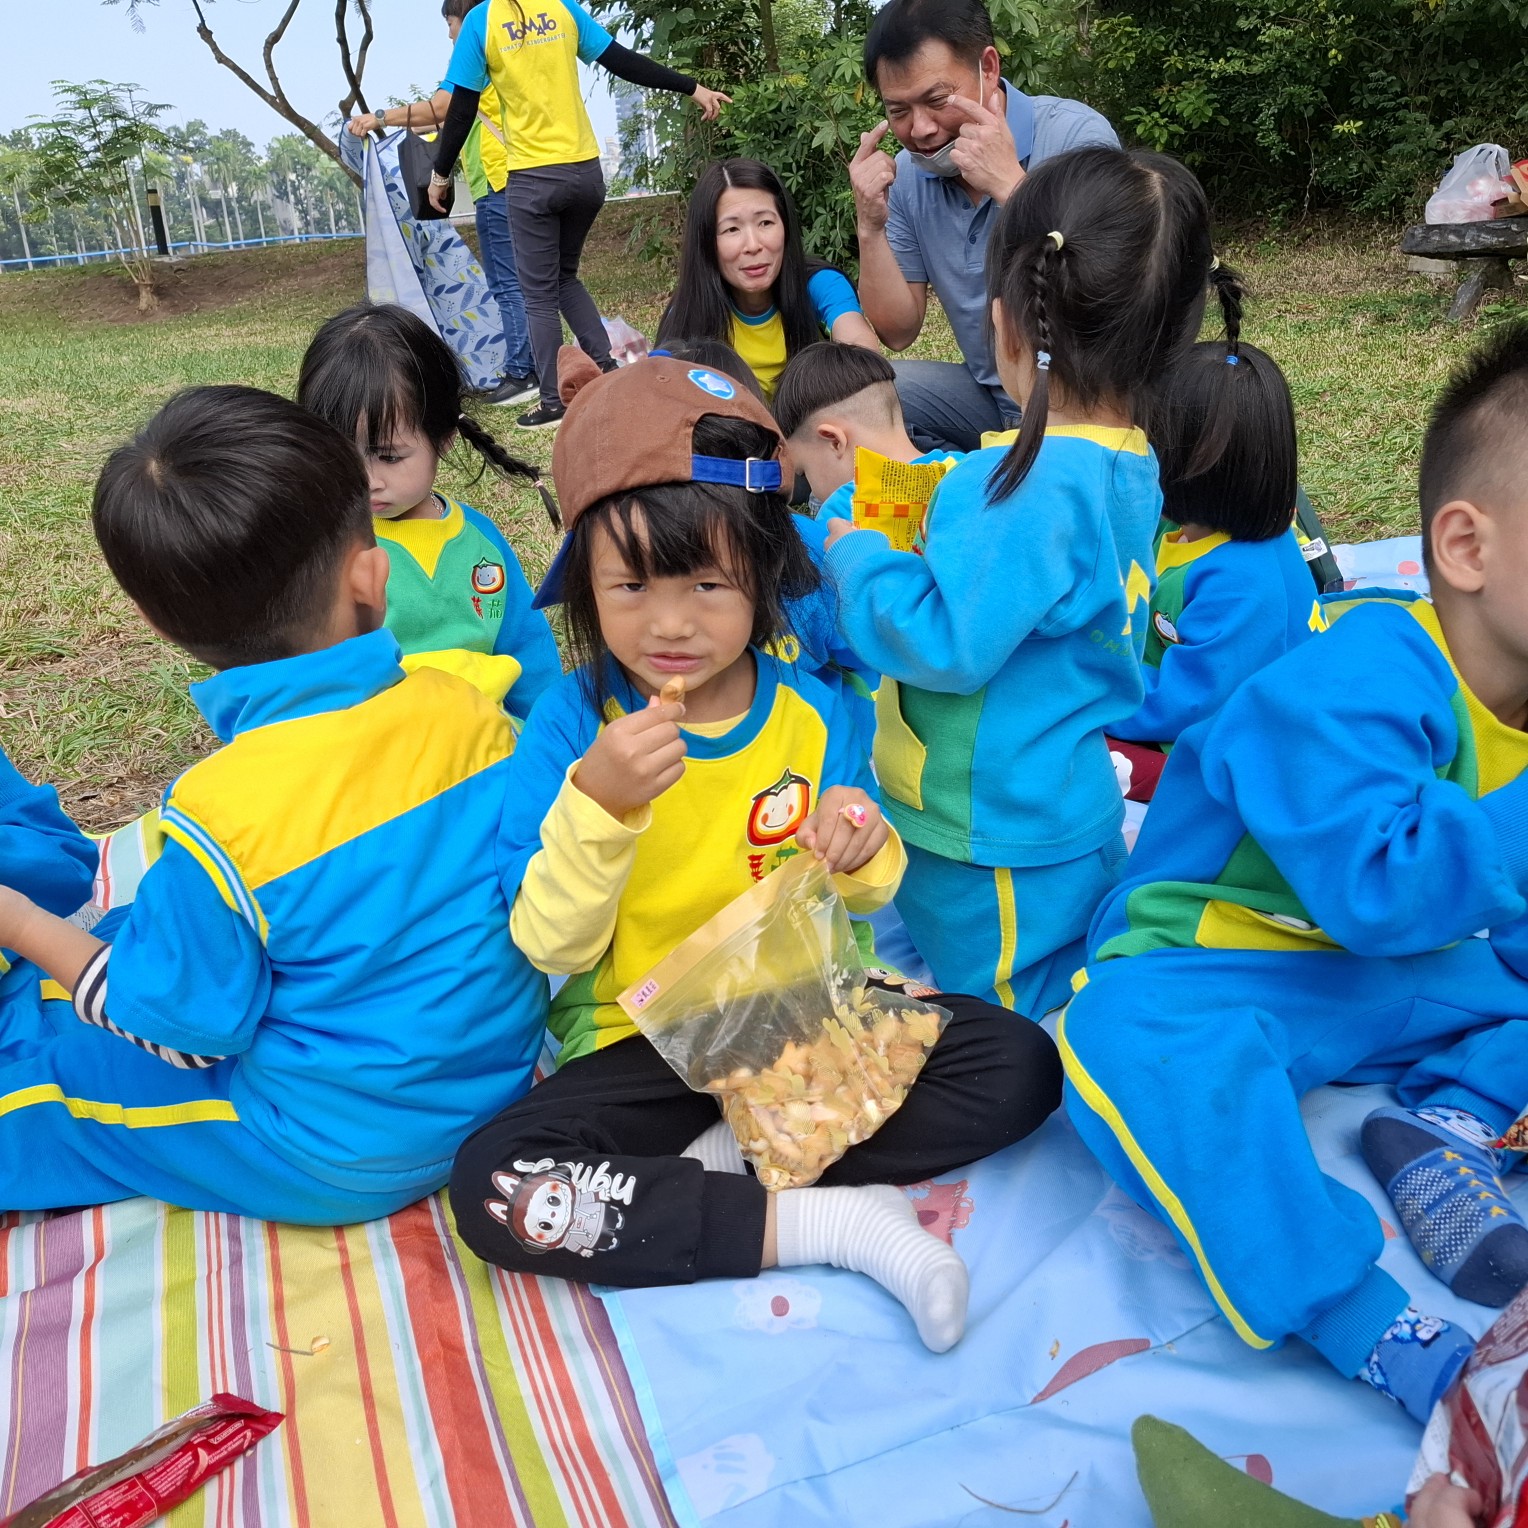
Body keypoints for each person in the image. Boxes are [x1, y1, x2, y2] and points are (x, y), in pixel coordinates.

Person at [448, 351, 1062, 1352]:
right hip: (639, 1041)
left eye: (707, 582)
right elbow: (552, 946)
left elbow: (861, 897)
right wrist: (599, 807)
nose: (672, 623)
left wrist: (860, 849)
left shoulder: (814, 716)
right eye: (630, 584)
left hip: (795, 1026)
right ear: (585, 584)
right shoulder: (570, 727)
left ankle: (727, 1156)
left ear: (765, 572)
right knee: (498, 1186)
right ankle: (824, 1218)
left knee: (1021, 1065)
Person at [1057, 322, 1528, 1429]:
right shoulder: (1360, 671)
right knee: (1131, 1050)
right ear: (1465, 547)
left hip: (1388, 976)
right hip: (1212, 962)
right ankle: (1366, 1320)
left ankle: (1453, 1129)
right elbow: (1380, 889)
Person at [0, 386, 548, 1222]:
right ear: (373, 576)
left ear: (153, 620)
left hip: (332, 1146)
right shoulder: (475, 716)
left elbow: (183, 1041)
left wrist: (23, 925)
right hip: (496, 1079)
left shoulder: (219, 817)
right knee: (136, 935)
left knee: (50, 1099)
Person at [821, 145, 1212, 1019]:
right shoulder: (1127, 458)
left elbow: (946, 644)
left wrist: (859, 557)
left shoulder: (1018, 484)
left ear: (1006, 321)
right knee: (1076, 952)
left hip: (988, 828)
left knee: (1013, 1017)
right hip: (1059, 797)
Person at [429, 0, 732, 430]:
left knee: (538, 295)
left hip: (533, 179)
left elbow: (461, 109)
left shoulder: (481, 21)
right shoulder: (562, 8)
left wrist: (440, 174)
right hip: (586, 174)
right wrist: (691, 87)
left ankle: (554, 401)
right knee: (563, 278)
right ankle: (607, 370)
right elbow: (622, 61)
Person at [849, 0, 1118, 453]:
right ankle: (982, 466)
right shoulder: (908, 177)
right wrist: (870, 228)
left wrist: (1011, 186)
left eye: (937, 100)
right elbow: (897, 331)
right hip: (994, 399)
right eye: (898, 111)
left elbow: (1110, 294)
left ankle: (997, 467)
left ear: (988, 68)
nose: (921, 129)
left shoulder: (1076, 139)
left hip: (1092, 401)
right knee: (862, 400)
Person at [297, 302, 561, 721]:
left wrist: (547, 730)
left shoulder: (480, 539)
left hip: (488, 740)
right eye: (340, 455)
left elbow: (526, 647)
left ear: (444, 439)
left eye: (388, 456)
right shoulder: (319, 547)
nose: (366, 479)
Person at [1106, 331, 1329, 800]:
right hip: (1188, 692)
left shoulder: (1239, 581)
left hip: (1244, 739)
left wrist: (1095, 685)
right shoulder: (1184, 524)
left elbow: (1190, 700)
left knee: (1069, 747)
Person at [347, 0, 537, 406]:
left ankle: (523, 372)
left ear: (467, 19)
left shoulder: (475, 53)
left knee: (507, 283)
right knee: (533, 280)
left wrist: (379, 117)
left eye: (450, 23)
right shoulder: (507, 53)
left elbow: (439, 108)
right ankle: (542, 365)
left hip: (498, 179)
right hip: (523, 175)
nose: (450, 33)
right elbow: (443, 119)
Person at [656, 160, 880, 402]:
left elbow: (862, 351)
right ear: (706, 242)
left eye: (765, 223)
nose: (753, 245)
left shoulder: (820, 284)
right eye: (732, 229)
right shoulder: (688, 311)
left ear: (785, 227)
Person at [773, 340, 956, 518]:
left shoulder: (840, 513)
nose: (813, 493)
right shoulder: (965, 468)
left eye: (804, 472)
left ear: (835, 441)